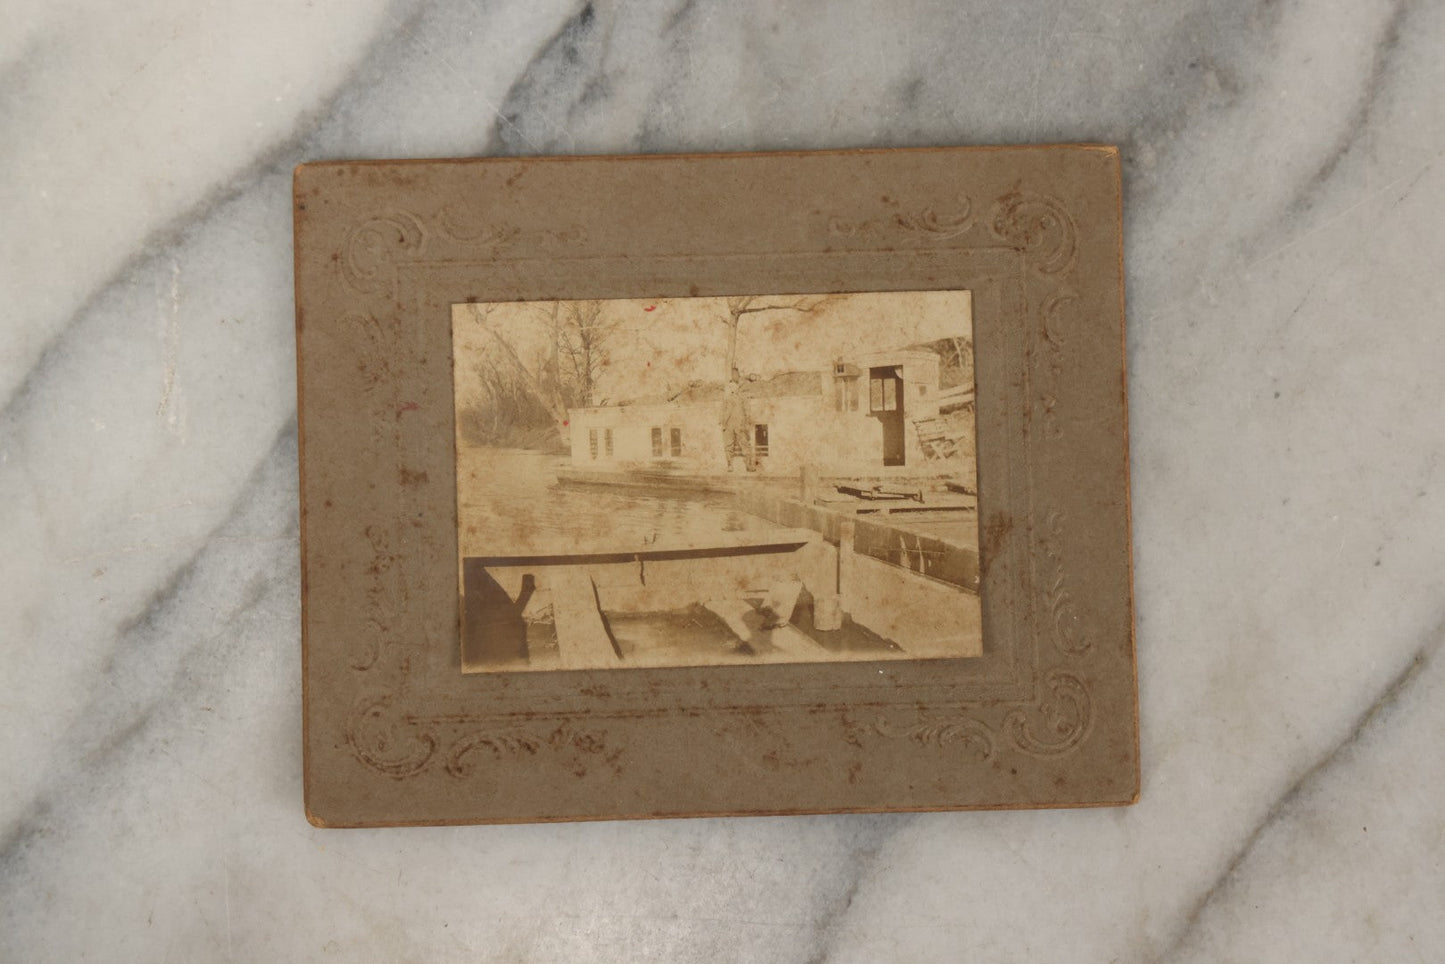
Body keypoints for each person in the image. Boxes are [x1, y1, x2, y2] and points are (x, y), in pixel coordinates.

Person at [720, 379, 751, 471]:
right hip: (728, 425)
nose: (731, 388)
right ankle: (729, 465)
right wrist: (723, 424)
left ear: (737, 387)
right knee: (728, 445)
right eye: (730, 386)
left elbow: (747, 411)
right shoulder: (726, 399)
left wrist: (746, 423)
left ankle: (748, 465)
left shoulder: (743, 398)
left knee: (745, 444)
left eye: (733, 386)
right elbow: (722, 412)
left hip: (740, 425)